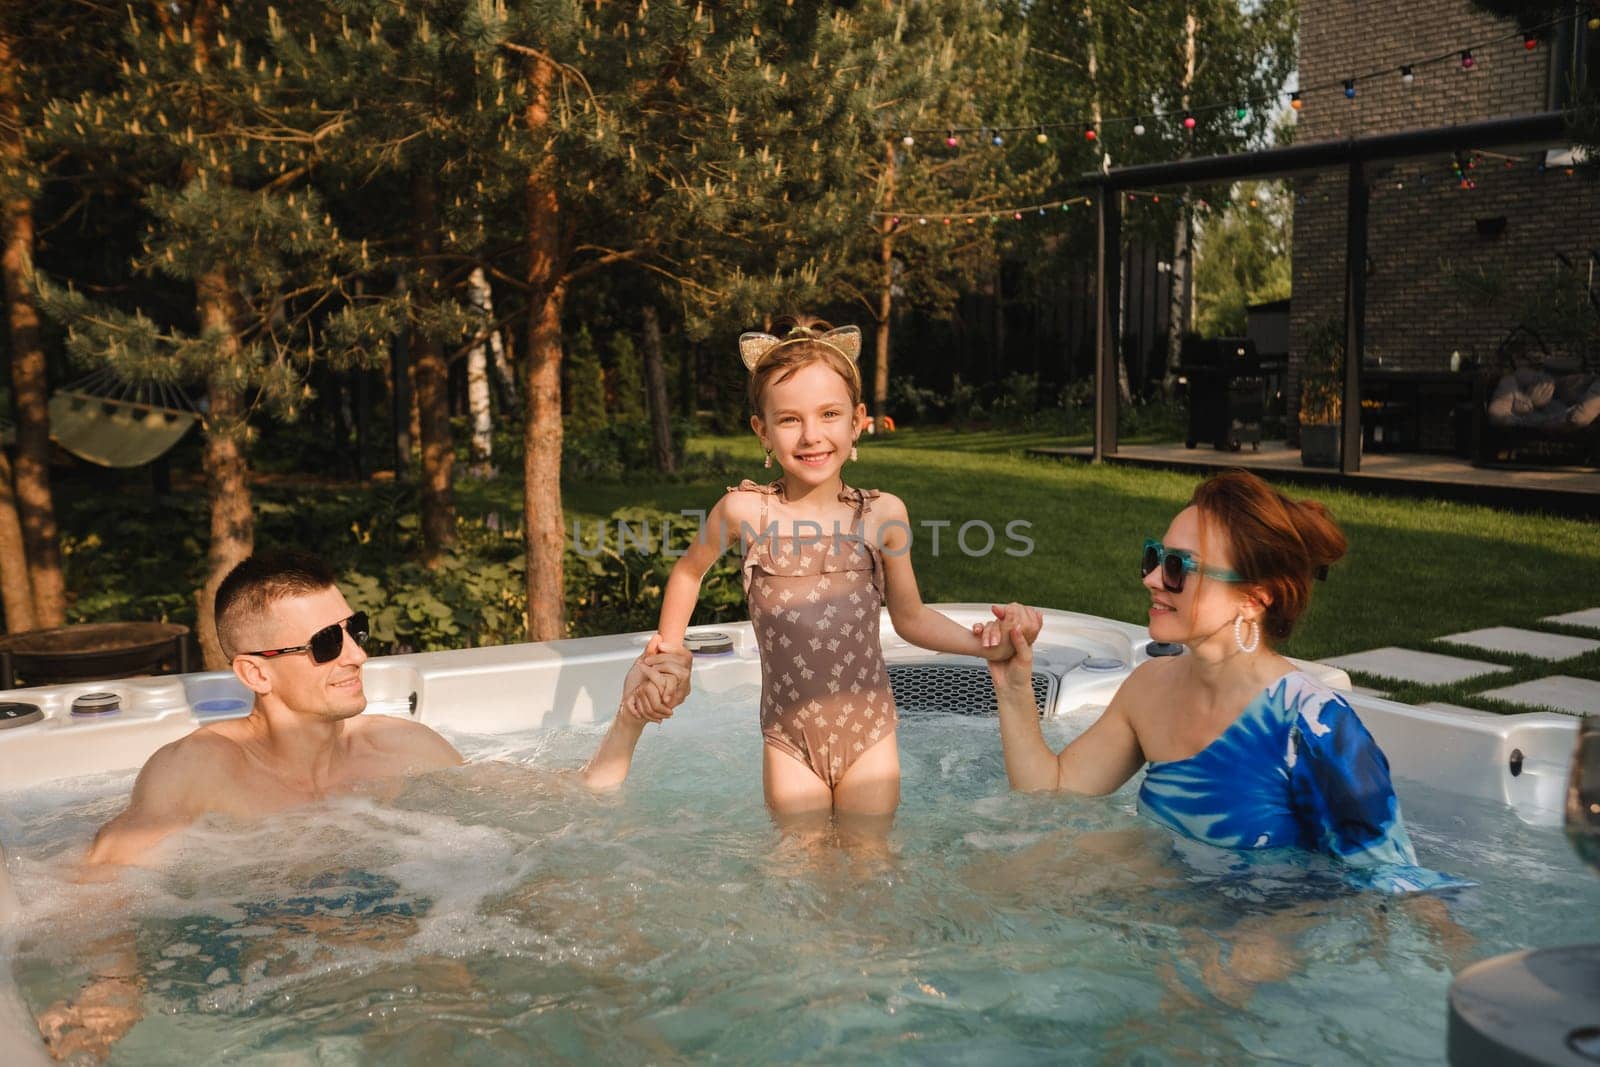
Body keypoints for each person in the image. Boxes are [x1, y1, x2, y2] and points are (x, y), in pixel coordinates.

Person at [620, 316, 1040, 828]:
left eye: (829, 414)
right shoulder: (745, 512)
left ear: (858, 420)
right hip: (789, 738)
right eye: (790, 419)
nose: (812, 435)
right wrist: (671, 652)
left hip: (870, 734)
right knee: (798, 878)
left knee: (869, 871)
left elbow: (909, 617)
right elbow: (688, 572)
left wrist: (983, 646)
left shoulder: (884, 515)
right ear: (763, 431)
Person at [980, 470, 1460, 894]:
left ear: (1254, 598)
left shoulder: (1313, 727)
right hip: (1167, 920)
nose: (1151, 579)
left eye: (1177, 568)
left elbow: (1398, 886)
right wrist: (1013, 685)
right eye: (1154, 557)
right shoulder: (1150, 689)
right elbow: (1050, 795)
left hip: (1253, 946)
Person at [85, 551, 689, 866]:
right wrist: (111, 990)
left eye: (356, 630)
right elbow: (98, 887)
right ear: (254, 672)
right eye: (325, 643)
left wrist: (628, 718)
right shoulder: (197, 771)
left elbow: (579, 796)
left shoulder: (402, 748)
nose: (354, 655)